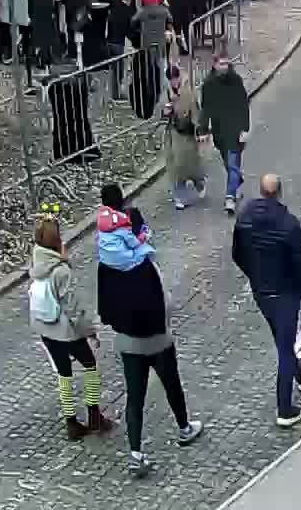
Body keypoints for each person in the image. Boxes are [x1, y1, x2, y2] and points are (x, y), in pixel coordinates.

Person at [93, 184, 204, 474]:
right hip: (156, 339)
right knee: (172, 385)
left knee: (135, 397)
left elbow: (104, 308)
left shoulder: (106, 265)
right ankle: (184, 427)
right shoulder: (144, 265)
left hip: (127, 342)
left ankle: (135, 452)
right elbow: (163, 302)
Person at [230, 174, 301, 427]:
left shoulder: (244, 218)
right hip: (285, 293)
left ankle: (299, 370)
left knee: (282, 339)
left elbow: (237, 254)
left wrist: (254, 276)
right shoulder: (289, 224)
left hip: (262, 293)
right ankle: (285, 408)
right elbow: (300, 262)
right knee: (285, 349)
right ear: (279, 192)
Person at [29, 215, 114, 440]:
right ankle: (95, 414)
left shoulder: (37, 263)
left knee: (64, 374)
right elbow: (73, 308)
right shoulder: (61, 272)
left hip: (46, 329)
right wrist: (91, 331)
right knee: (90, 365)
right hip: (66, 331)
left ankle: (71, 422)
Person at [199, 52, 249, 215]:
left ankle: (230, 198)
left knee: (233, 164)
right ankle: (237, 181)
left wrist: (244, 129)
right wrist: (204, 130)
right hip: (220, 131)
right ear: (214, 65)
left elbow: (243, 105)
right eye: (221, 64)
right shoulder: (208, 84)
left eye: (226, 64)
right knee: (229, 164)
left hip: (235, 130)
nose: (225, 67)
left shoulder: (236, 81)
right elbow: (205, 109)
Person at [163, 63, 207, 210]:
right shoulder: (166, 93)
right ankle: (179, 197)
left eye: (175, 78)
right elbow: (160, 114)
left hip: (186, 134)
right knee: (176, 168)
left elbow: (195, 112)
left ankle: (199, 183)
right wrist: (165, 112)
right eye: (171, 79)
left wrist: (200, 131)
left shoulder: (188, 92)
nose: (173, 82)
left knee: (191, 166)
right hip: (172, 134)